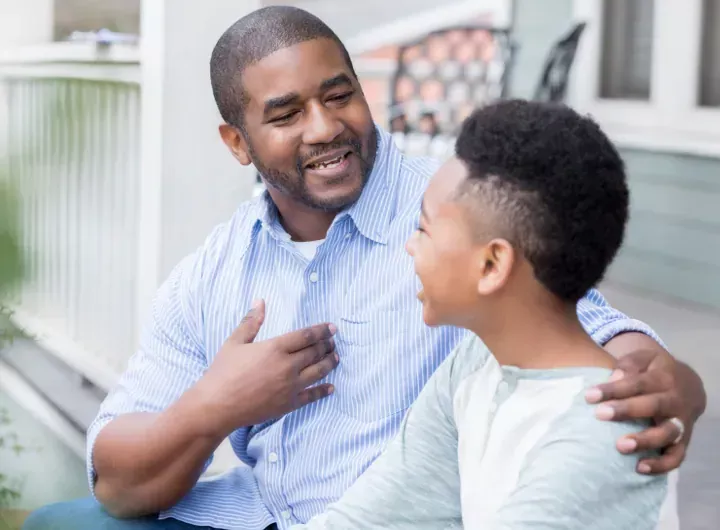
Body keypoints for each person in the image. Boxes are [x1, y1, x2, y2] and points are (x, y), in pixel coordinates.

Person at [23, 6, 706, 530]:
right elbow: (116, 478)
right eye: (286, 114)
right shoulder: (216, 273)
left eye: (339, 94)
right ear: (238, 142)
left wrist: (664, 381)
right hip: (253, 513)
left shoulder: (454, 212)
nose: (324, 128)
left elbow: (574, 326)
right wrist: (215, 406)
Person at [292, 100, 674, 530]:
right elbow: (370, 516)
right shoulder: (476, 363)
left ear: (492, 265)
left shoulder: (601, 431)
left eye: (424, 228)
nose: (410, 247)